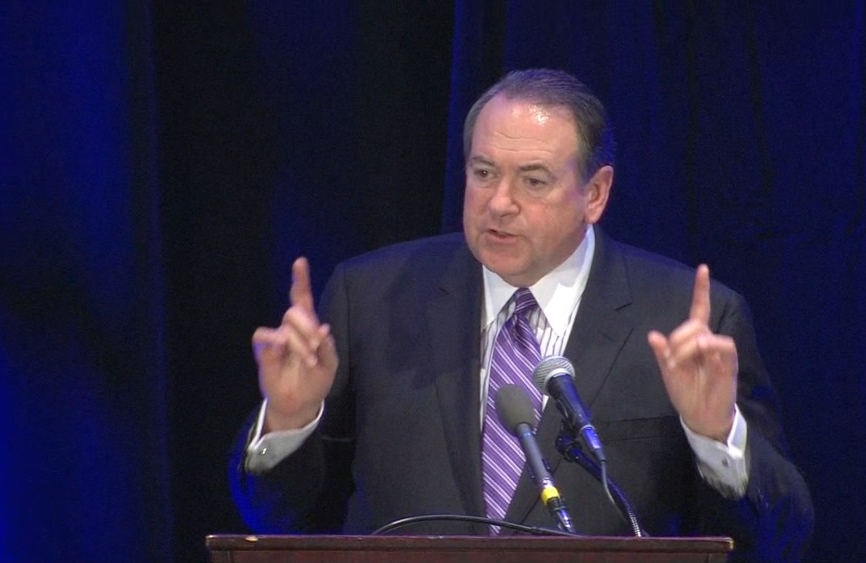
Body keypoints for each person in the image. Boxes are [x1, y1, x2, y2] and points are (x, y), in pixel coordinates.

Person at [230, 69, 814, 561]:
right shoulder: (371, 298)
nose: (499, 202)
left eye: (533, 181)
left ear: (595, 193)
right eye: (483, 173)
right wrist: (290, 421)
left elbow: (781, 538)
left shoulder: (683, 319)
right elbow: (277, 520)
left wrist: (715, 437)